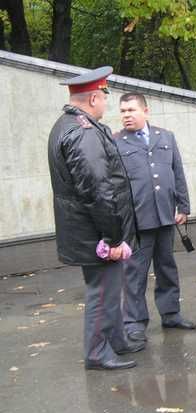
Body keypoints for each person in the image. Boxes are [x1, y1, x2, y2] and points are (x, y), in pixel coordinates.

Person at [47, 66, 142, 370]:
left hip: (89, 230)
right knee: (102, 293)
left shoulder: (73, 125)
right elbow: (97, 189)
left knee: (110, 290)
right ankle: (98, 352)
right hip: (95, 233)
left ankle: (116, 340)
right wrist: (113, 237)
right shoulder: (82, 131)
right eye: (103, 97)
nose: (105, 103)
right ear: (92, 99)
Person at [114, 93, 196, 343]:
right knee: (135, 273)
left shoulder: (165, 137)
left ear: (145, 111)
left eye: (131, 110)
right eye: (123, 111)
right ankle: (135, 322)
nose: (127, 115)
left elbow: (177, 172)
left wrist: (183, 206)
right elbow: (114, 184)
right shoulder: (116, 142)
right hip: (137, 220)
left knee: (167, 267)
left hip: (165, 215)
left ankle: (171, 313)